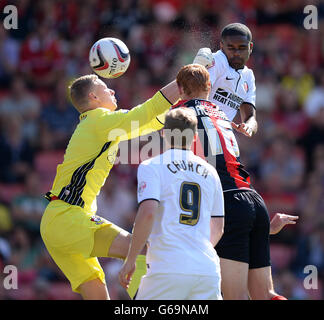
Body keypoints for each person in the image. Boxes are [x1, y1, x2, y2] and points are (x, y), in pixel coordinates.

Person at [40, 73, 179, 300]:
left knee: (96, 293)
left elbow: (149, 121)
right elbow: (145, 112)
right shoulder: (99, 119)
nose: (112, 91)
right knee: (142, 250)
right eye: (106, 88)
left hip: (58, 221)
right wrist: (182, 81)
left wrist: (179, 102)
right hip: (68, 218)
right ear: (94, 96)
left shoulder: (100, 124)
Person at [169, 64, 298, 300]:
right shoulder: (220, 112)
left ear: (179, 89)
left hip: (226, 202)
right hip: (253, 200)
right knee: (266, 295)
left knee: (234, 297)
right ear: (209, 87)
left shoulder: (179, 116)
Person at [118, 107, 224, 300]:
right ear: (194, 137)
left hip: (168, 267)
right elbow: (218, 227)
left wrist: (131, 259)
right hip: (207, 269)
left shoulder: (151, 166)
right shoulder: (211, 172)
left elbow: (148, 213)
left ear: (164, 133)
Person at [193, 22, 257, 138]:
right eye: (231, 48)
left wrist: (248, 126)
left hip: (222, 135)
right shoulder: (217, 60)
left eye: (242, 48)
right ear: (222, 46)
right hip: (199, 130)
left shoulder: (248, 76)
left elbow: (251, 118)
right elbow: (199, 96)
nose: (236, 53)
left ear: (250, 47)